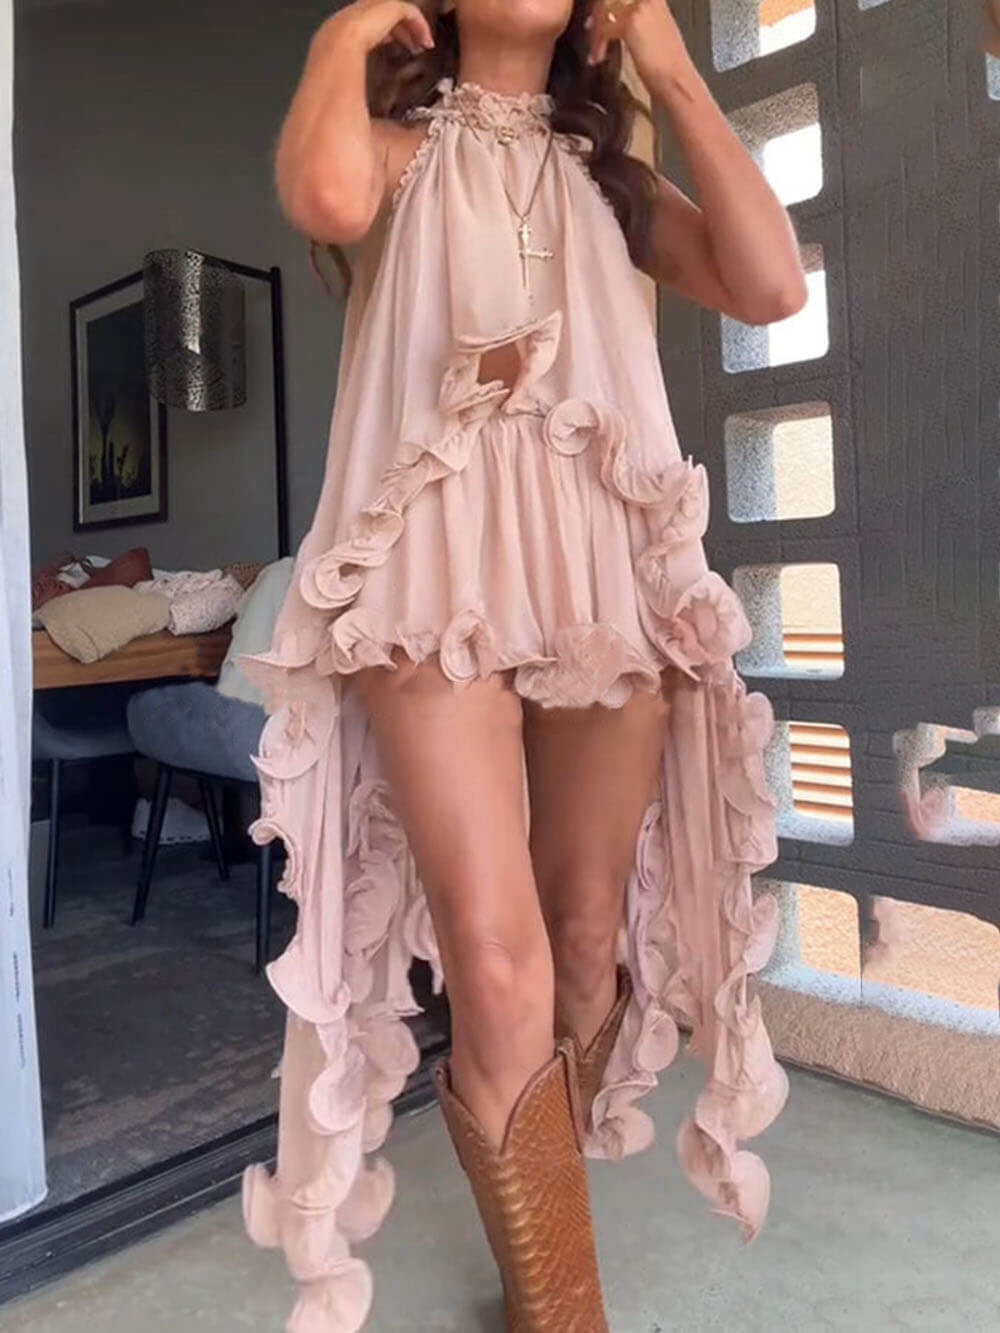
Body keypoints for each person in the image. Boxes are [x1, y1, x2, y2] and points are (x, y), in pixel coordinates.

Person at [242, 2, 804, 1328]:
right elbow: (322, 196)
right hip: (427, 583)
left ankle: (535, 1230)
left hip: (610, 580)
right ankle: (563, 1311)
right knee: (497, 968)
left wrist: (670, 68)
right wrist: (342, 36)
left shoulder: (613, 185)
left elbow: (773, 286)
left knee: (586, 947)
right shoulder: (394, 154)